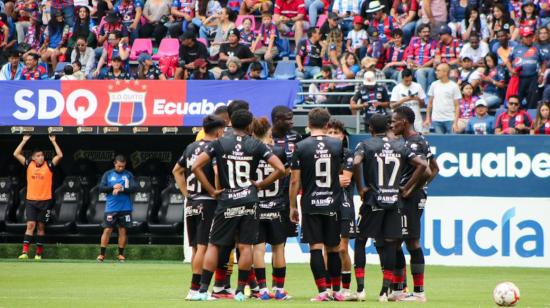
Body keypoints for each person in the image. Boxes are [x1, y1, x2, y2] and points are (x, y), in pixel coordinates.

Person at [191, 109, 285, 302]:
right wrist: (261, 184)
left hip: (227, 200)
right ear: (250, 125)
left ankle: (202, 291)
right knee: (245, 246)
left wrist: (211, 190)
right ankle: (241, 291)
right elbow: (281, 169)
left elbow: (195, 167)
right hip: (249, 200)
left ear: (230, 123)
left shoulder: (219, 142)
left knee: (215, 245)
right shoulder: (257, 144)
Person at [351, 114, 427, 302]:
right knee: (392, 244)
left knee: (361, 241)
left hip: (373, 202)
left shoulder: (365, 144)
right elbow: (423, 164)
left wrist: (361, 188)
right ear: (388, 127)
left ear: (370, 128)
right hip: (394, 201)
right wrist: (406, 187)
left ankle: (360, 290)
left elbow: (356, 162)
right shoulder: (401, 145)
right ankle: (385, 293)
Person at [289, 108, 352, 302]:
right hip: (332, 203)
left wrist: (292, 206)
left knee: (315, 247)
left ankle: (323, 292)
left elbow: (294, 181)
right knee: (333, 248)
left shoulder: (300, 146)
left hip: (310, 203)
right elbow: (342, 172)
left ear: (309, 123)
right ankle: (335, 291)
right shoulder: (337, 144)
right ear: (327, 125)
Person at [173, 115, 225, 300]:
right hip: (208, 203)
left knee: (196, 248)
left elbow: (176, 171)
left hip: (192, 202)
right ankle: (196, 290)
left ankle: (195, 288)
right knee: (204, 247)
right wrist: (216, 191)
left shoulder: (191, 147)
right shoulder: (214, 148)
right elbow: (217, 172)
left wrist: (187, 194)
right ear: (219, 131)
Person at [390, 106, 438, 302]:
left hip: (409, 198)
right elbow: (436, 168)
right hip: (415, 196)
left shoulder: (413, 143)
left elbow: (426, 169)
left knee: (404, 241)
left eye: (395, 121)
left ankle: (415, 292)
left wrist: (409, 189)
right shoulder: (418, 139)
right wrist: (422, 188)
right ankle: (402, 290)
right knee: (402, 241)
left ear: (405, 122)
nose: (392, 125)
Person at [250, 117, 291, 301]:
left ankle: (263, 289)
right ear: (269, 132)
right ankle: (279, 289)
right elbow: (286, 173)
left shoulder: (249, 151)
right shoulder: (279, 151)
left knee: (258, 249)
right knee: (278, 249)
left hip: (256, 206)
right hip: (276, 205)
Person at [14, 135, 63, 260]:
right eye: (38, 156)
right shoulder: (29, 164)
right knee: (30, 225)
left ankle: (38, 253)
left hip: (45, 201)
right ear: (33, 158)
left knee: (41, 227)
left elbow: (60, 156)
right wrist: (24, 140)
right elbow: (16, 153)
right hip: (31, 200)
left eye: (42, 155)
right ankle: (25, 252)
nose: (41, 157)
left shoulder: (49, 165)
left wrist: (54, 141)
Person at [326, 119, 356, 301]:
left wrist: (323, 180)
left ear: (343, 136)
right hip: (325, 203)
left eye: (336, 132)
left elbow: (345, 179)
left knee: (342, 249)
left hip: (344, 205)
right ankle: (329, 288)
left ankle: (345, 288)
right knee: (327, 249)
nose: (333, 136)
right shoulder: (319, 154)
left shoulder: (348, 154)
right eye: (329, 132)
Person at [271, 105, 302, 240]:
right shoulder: (266, 137)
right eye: (288, 119)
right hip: (269, 191)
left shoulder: (296, 137)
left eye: (292, 119)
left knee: (283, 235)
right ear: (277, 120)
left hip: (289, 191)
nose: (292, 122)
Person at [96, 155, 136, 262]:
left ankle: (121, 255)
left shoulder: (128, 175)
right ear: (115, 164)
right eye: (119, 166)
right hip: (111, 208)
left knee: (122, 231)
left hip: (125, 208)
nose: (121, 168)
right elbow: (100, 188)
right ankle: (102, 254)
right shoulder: (108, 174)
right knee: (107, 229)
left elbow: (134, 188)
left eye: (123, 166)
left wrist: (122, 188)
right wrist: (113, 187)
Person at [507, 26, 547, 109]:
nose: (529, 38)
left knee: (532, 101)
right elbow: (508, 61)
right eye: (526, 37)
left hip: (533, 78)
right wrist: (511, 70)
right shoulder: (515, 48)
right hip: (519, 78)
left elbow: (544, 62)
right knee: (518, 100)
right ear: (522, 38)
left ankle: (531, 119)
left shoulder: (537, 47)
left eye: (530, 36)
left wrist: (542, 74)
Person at [424, 63, 462, 134]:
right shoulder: (433, 85)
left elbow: (457, 106)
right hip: (436, 120)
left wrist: (455, 122)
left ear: (445, 72)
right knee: (440, 143)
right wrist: (427, 118)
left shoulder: (454, 86)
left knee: (452, 142)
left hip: (450, 119)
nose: (436, 72)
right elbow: (430, 103)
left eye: (438, 70)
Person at [406, 23, 436, 93]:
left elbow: (433, 59)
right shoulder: (414, 41)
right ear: (419, 33)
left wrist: (421, 66)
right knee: (402, 73)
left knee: (420, 72)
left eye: (428, 32)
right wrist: (410, 64)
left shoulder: (433, 42)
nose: (427, 34)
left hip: (427, 67)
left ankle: (422, 97)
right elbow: (409, 57)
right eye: (424, 32)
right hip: (415, 66)